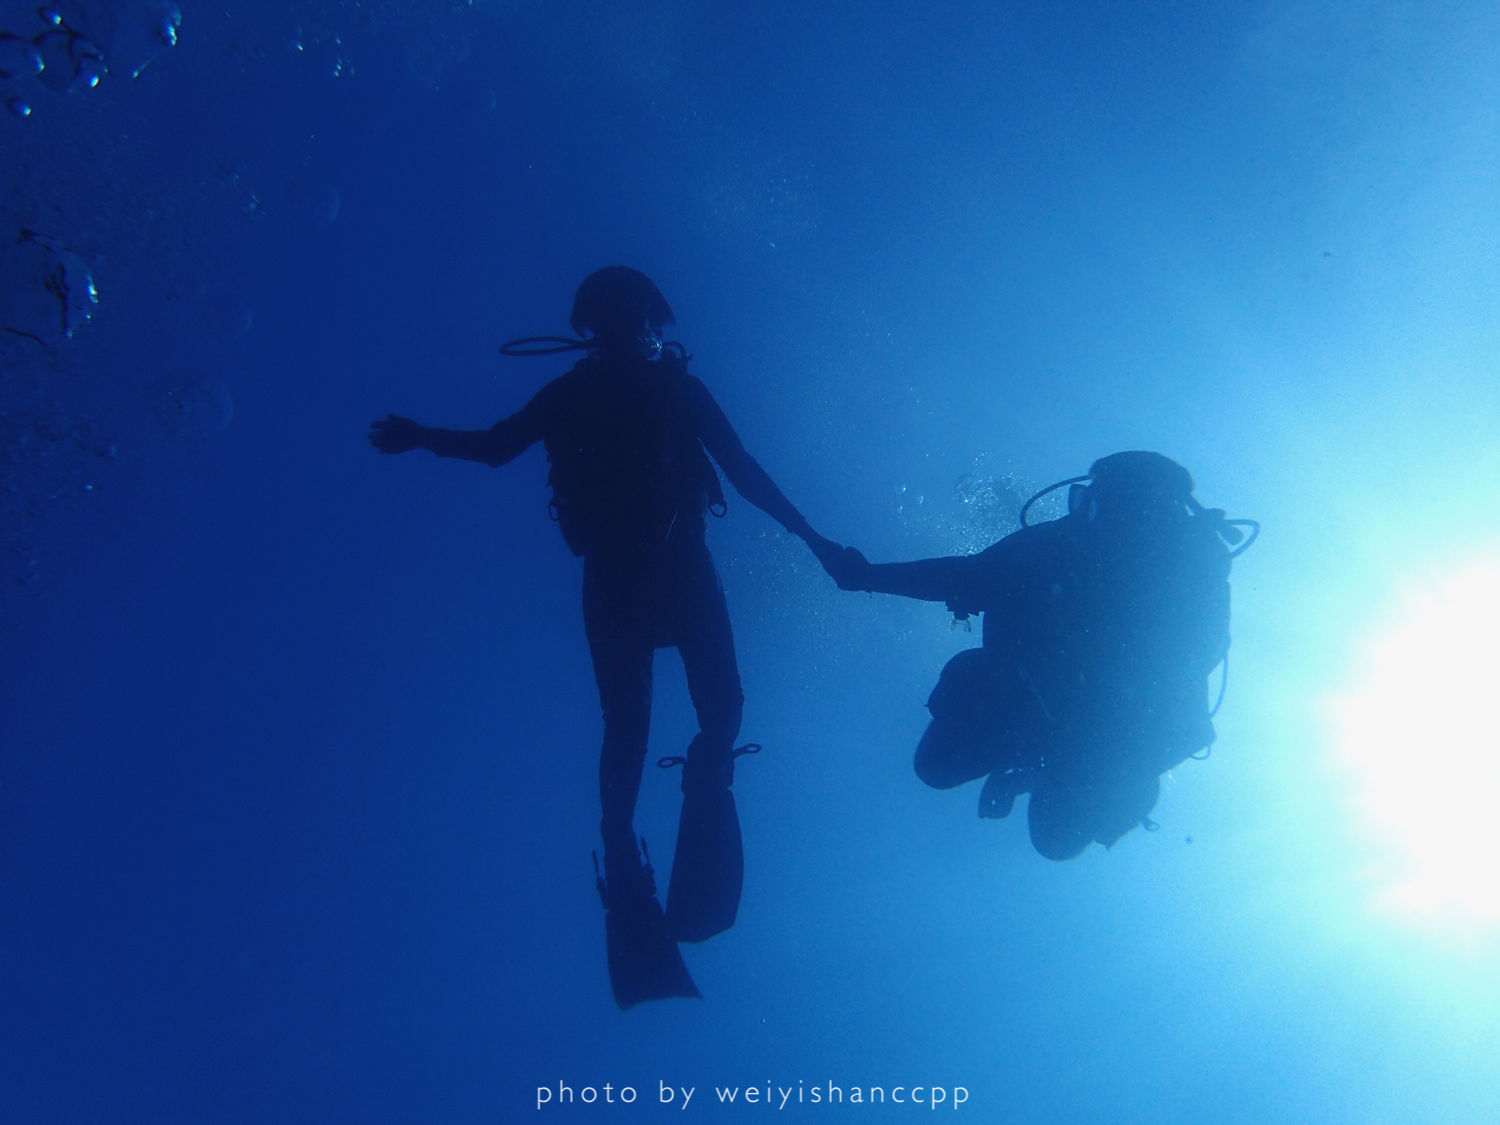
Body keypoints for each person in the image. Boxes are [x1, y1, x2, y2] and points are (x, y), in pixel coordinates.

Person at [369, 267, 843, 1007]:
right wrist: (420, 437)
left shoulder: (664, 390)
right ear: (596, 331)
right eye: (621, 323)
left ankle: (685, 796)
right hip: (633, 572)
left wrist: (816, 540)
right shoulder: (580, 393)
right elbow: (500, 446)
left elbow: (743, 471)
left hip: (671, 566)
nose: (636, 335)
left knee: (711, 709)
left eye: (643, 322)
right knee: (636, 720)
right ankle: (624, 849)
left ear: (654, 323)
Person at [826, 451, 1254, 860]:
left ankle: (1041, 765)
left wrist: (867, 576)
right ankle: (1041, 763)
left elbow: (962, 576)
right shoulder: (1188, 563)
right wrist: (867, 577)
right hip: (1081, 723)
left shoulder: (1064, 547)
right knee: (1036, 827)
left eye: (1088, 501)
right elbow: (964, 576)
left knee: (1047, 833)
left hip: (1106, 734)